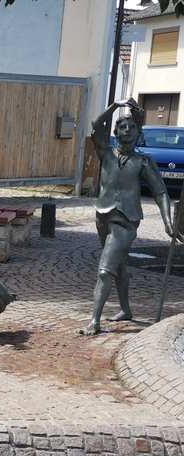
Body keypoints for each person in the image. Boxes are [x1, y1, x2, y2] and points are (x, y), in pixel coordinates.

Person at [81, 98, 176, 335]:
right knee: (119, 266)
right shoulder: (106, 153)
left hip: (127, 220)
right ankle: (126, 310)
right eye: (122, 127)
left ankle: (94, 320)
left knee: (105, 270)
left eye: (132, 127)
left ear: (138, 132)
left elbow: (161, 192)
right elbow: (95, 125)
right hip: (102, 216)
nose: (127, 130)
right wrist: (114, 106)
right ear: (115, 132)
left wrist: (167, 221)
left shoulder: (143, 162)